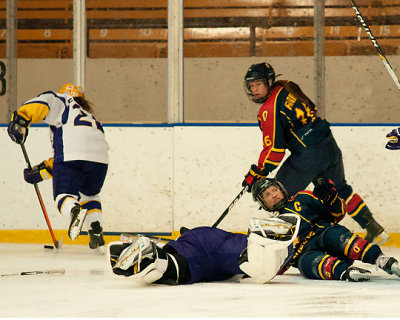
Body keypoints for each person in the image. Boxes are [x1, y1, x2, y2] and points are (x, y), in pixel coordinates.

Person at [241, 62, 388, 245]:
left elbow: (274, 150)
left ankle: (277, 246)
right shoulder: (287, 86)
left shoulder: (268, 109)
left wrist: (258, 172)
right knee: (341, 189)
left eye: (259, 84)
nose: (255, 89)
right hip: (327, 144)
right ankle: (373, 228)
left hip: (308, 155)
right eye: (251, 85)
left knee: (277, 195)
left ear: (269, 81)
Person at [7, 83, 109, 253]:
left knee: (63, 195)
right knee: (90, 195)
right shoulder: (90, 117)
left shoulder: (62, 100)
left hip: (71, 156)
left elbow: (42, 103)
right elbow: (75, 153)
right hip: (100, 159)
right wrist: (42, 171)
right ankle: (96, 231)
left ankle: (74, 210)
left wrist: (21, 120)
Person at [251, 177, 400, 281]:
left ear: (281, 189)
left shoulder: (302, 197)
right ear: (263, 203)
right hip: (310, 253)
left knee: (333, 234)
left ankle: (381, 260)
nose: (273, 196)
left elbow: (337, 214)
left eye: (274, 190)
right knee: (304, 264)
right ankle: (345, 272)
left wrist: (332, 199)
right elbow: (280, 266)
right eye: (267, 195)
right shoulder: (273, 227)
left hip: (328, 237)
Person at [107, 214, 300, 285]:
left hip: (199, 241)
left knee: (164, 272)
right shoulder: (281, 250)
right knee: (259, 267)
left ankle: (152, 255)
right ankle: (152, 256)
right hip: (210, 247)